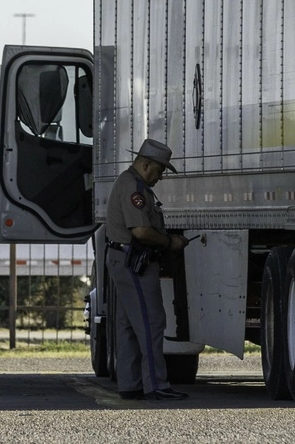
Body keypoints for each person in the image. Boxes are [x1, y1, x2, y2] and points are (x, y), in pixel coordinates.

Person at [105, 138, 190, 401]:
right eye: (160, 170)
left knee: (128, 325)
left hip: (124, 258)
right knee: (150, 322)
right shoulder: (134, 188)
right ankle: (156, 384)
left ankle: (130, 385)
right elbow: (141, 230)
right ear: (145, 164)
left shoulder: (130, 183)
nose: (160, 177)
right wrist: (169, 242)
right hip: (135, 263)